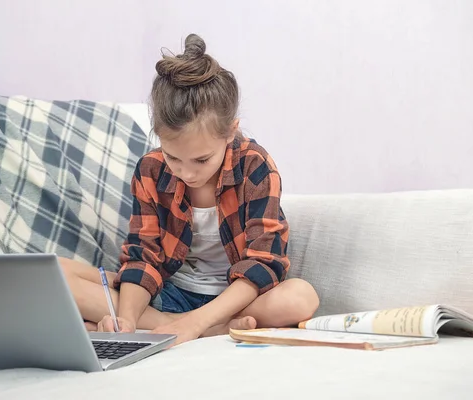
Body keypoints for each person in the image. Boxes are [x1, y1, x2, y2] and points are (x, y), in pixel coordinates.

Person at [60, 33, 319, 346]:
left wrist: (198, 320)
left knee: (300, 298)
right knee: (56, 273)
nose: (186, 172)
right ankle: (183, 327)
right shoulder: (150, 170)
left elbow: (264, 262)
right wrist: (126, 319)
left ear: (231, 132)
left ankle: (194, 326)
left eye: (201, 159)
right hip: (168, 293)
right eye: (173, 157)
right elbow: (144, 255)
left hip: (234, 300)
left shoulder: (255, 165)